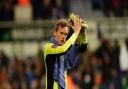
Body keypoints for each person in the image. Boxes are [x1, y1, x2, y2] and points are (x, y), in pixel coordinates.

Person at [43, 14, 88, 89]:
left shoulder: (65, 50)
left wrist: (82, 33)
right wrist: (76, 32)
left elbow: (82, 48)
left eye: (65, 34)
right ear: (55, 32)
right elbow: (63, 49)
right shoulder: (48, 47)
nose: (63, 37)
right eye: (61, 33)